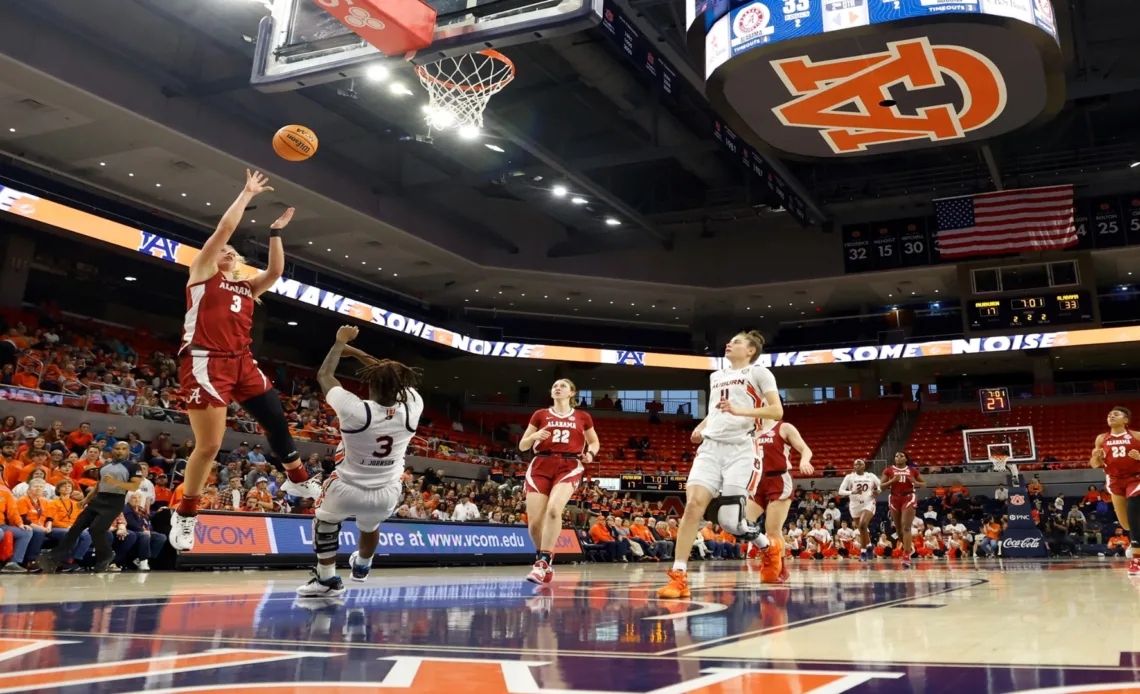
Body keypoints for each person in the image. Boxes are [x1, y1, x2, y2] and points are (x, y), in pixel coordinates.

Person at [169, 171, 320, 551]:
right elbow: (223, 228)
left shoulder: (246, 286)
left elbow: (276, 272)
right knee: (209, 446)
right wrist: (247, 193)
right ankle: (186, 513)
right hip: (205, 362)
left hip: (241, 361)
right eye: (224, 249)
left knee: (275, 417)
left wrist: (275, 232)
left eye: (233, 251)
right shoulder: (202, 274)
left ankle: (297, 476)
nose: (228, 251)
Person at [296, 326, 423, 598]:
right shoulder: (414, 406)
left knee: (326, 523)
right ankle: (362, 566)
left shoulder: (356, 410)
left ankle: (326, 580)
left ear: (371, 383)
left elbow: (324, 375)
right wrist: (361, 354)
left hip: (347, 486)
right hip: (386, 490)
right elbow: (391, 376)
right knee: (370, 526)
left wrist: (341, 343)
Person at [660, 331, 782, 600]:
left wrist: (742, 412)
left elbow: (777, 411)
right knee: (692, 506)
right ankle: (679, 576)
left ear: (750, 351)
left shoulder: (759, 373)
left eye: (736, 342)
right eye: (729, 341)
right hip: (711, 448)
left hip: (741, 449)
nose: (729, 343)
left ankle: (767, 546)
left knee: (730, 522)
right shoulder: (716, 376)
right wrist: (701, 428)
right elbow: (715, 411)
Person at [519, 378, 600, 584]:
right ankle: (543, 558)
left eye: (562, 386)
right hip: (541, 463)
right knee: (535, 523)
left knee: (554, 510)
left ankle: (543, 561)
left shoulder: (583, 416)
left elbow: (594, 441)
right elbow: (522, 445)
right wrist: (535, 435)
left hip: (569, 465)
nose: (557, 388)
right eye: (554, 385)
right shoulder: (540, 414)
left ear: (572, 393)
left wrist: (590, 454)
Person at [39, 441, 143, 573]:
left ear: (128, 451)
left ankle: (106, 555)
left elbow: (134, 486)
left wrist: (114, 482)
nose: (120, 451)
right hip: (99, 499)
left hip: (115, 501)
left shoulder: (133, 466)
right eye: (117, 448)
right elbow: (99, 485)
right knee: (77, 527)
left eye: (123, 449)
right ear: (112, 450)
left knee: (96, 529)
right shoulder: (106, 466)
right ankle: (54, 557)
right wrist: (86, 499)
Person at [745, 420, 813, 583]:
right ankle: (767, 550)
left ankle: (780, 568)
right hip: (756, 481)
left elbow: (805, 449)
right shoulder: (749, 428)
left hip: (778, 478)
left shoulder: (783, 427)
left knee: (772, 530)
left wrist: (804, 460)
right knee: (741, 523)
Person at [1089, 405, 1140, 575]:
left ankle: (1137, 560)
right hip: (1115, 480)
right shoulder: (1101, 438)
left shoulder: (1137, 436)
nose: (1111, 416)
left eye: (1116, 414)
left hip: (1136, 477)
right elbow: (1094, 464)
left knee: (1133, 513)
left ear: (1125, 420)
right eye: (1110, 414)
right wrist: (1096, 458)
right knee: (1126, 524)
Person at [881, 451, 926, 568]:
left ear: (906, 459)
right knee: (899, 529)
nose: (898, 457)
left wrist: (914, 482)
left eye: (901, 456)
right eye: (896, 456)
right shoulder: (889, 470)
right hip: (894, 497)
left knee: (906, 526)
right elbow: (881, 486)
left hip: (909, 496)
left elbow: (924, 484)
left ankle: (906, 556)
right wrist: (892, 481)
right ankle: (909, 548)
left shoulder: (912, 470)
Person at [838, 458, 882, 560]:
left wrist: (878, 490)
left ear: (864, 466)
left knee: (862, 525)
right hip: (854, 504)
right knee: (861, 529)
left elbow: (880, 485)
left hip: (868, 502)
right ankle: (870, 546)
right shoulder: (849, 477)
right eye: (856, 464)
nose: (858, 466)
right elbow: (841, 491)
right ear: (854, 467)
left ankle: (863, 552)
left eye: (860, 464)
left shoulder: (870, 476)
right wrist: (852, 492)